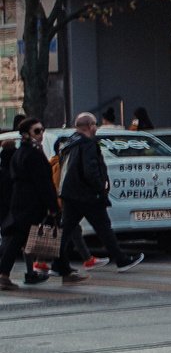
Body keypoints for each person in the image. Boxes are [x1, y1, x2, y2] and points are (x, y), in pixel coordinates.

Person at [56, 113, 141, 275]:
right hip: (87, 194)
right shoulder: (88, 144)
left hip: (70, 192)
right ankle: (121, 260)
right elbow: (90, 170)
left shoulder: (69, 143)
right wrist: (99, 187)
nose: (96, 128)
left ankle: (57, 264)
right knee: (104, 228)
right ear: (89, 126)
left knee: (66, 230)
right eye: (95, 124)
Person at [2, 117, 59, 289]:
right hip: (31, 203)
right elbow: (43, 182)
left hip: (22, 202)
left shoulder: (21, 152)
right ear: (26, 134)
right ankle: (4, 274)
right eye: (37, 131)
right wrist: (52, 205)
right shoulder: (32, 153)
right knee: (20, 238)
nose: (41, 134)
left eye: (42, 130)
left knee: (20, 238)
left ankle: (11, 274)